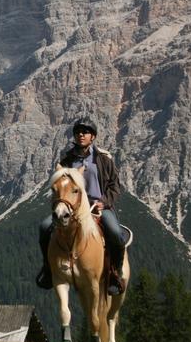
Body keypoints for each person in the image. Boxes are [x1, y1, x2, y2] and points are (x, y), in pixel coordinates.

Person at [36, 117, 127, 295]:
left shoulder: (103, 159)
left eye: (85, 132)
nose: (81, 135)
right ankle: (48, 269)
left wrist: (105, 202)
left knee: (116, 233)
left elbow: (115, 186)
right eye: (78, 132)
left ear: (93, 136)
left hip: (98, 207)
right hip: (73, 208)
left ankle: (116, 273)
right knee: (44, 227)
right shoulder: (67, 161)